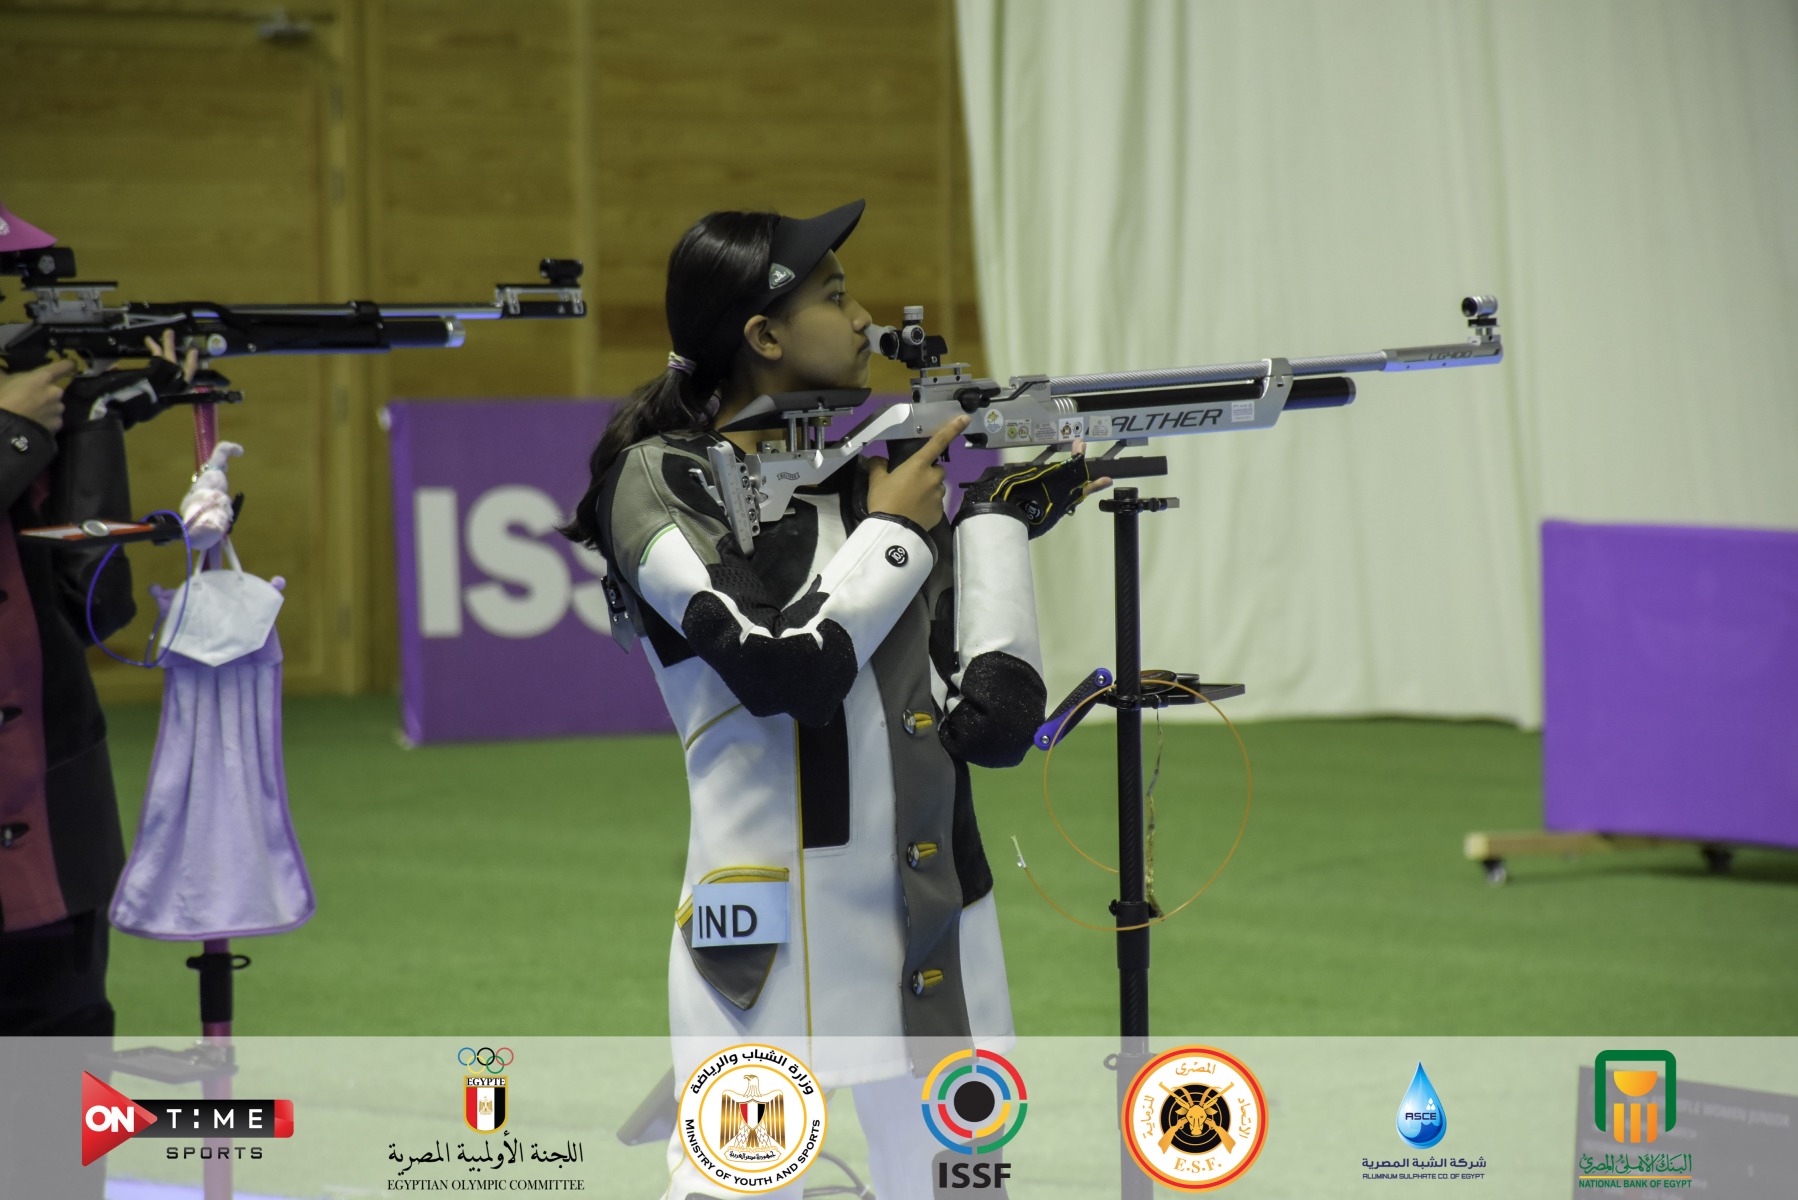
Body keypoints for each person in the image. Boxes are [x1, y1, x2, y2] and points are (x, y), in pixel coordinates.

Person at [562, 201, 1103, 1200]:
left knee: (962, 1184)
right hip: (759, 926)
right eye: (836, 296)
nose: (864, 321)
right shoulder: (658, 481)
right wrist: (895, 535)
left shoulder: (869, 485)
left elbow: (993, 727)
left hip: (935, 910)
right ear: (763, 336)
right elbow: (784, 672)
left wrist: (993, 529)